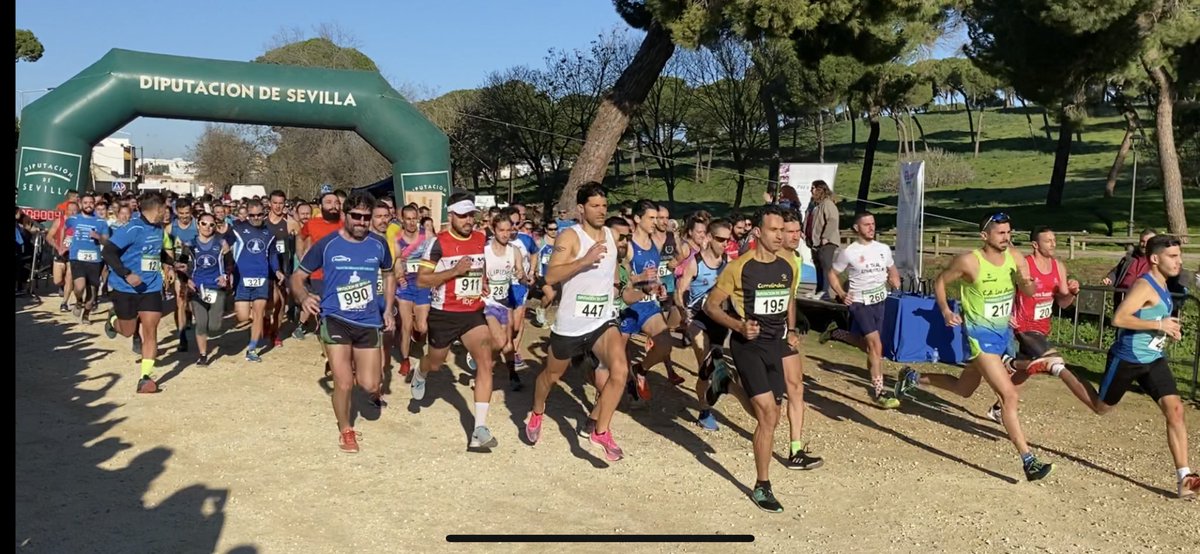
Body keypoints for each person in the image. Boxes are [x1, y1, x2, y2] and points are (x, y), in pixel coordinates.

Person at [895, 213, 1054, 482]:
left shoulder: (1015, 257)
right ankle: (1029, 460)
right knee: (1009, 396)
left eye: (1009, 232)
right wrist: (945, 311)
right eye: (1001, 233)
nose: (1007, 237)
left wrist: (1028, 284)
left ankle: (912, 377)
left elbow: (1027, 292)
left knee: (963, 389)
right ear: (984, 236)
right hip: (979, 339)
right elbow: (940, 282)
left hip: (1003, 335)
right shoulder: (969, 262)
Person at [703, 204, 817, 513]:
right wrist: (739, 325)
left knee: (769, 415)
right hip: (747, 346)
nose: (780, 235)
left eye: (783, 230)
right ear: (758, 232)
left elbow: (789, 298)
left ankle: (725, 382)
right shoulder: (740, 267)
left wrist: (791, 329)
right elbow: (711, 306)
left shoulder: (788, 264)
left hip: (775, 346)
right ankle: (762, 485)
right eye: (773, 230)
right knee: (767, 415)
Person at [525, 183, 630, 461]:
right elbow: (550, 277)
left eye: (604, 206)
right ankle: (536, 412)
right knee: (551, 376)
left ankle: (601, 431)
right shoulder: (570, 237)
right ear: (581, 208)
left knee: (620, 370)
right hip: (571, 323)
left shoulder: (611, 235)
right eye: (595, 206)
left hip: (602, 321)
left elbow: (612, 277)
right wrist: (584, 261)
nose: (601, 211)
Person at [293, 192, 395, 453]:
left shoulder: (378, 244)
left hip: (368, 320)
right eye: (356, 216)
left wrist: (388, 309)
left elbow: (389, 274)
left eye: (366, 217)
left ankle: (346, 367)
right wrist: (304, 296)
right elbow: (297, 277)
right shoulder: (327, 245)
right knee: (345, 383)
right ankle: (346, 429)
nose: (362, 221)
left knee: (371, 384)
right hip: (335, 318)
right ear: (345, 216)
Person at [411, 192, 501, 452]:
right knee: (437, 362)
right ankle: (422, 370)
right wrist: (454, 272)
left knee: (486, 359)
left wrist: (480, 281)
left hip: (472, 311)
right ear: (450, 216)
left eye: (471, 214)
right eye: (462, 215)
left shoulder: (480, 238)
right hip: (444, 313)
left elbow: (478, 267)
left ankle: (479, 429)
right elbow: (422, 280)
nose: (468, 220)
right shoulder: (437, 243)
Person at [983, 226, 1079, 422]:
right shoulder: (1025, 264)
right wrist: (1005, 311)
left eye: (1054, 240)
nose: (1053, 244)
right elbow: (1002, 286)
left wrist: (1072, 292)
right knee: (1051, 361)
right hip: (1023, 324)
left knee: (1027, 370)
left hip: (1042, 325)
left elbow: (1063, 302)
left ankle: (997, 408)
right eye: (1048, 240)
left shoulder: (1058, 266)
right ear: (1035, 244)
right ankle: (1008, 362)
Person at [823, 212, 904, 409]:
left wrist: (895, 280)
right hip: (859, 303)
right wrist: (842, 293)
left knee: (867, 346)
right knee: (876, 347)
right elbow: (832, 274)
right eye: (866, 224)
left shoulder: (883, 248)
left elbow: (891, 269)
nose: (871, 227)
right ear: (856, 228)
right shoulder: (849, 252)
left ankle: (836, 333)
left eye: (873, 224)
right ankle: (880, 393)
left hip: (880, 301)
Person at [102, 191, 171, 394]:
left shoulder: (158, 228)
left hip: (151, 287)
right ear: (157, 209)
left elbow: (155, 253)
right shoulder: (132, 228)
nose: (167, 212)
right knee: (128, 331)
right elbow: (108, 251)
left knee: (151, 330)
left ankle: (145, 378)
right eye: (165, 208)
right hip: (126, 288)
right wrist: (126, 273)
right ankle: (113, 320)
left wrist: (174, 263)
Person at [622, 199, 684, 400]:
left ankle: (640, 368)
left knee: (665, 343)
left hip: (648, 304)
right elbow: (623, 278)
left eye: (657, 217)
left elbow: (655, 274)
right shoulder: (628, 245)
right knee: (617, 358)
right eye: (651, 218)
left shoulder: (654, 245)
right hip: (628, 305)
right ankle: (622, 383)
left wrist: (659, 288)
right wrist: (640, 279)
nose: (655, 221)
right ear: (638, 219)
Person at [676, 218, 734, 431]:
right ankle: (705, 411)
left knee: (711, 364)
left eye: (728, 240)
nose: (724, 244)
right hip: (697, 317)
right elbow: (680, 290)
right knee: (705, 361)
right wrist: (684, 313)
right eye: (720, 239)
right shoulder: (695, 262)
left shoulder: (727, 262)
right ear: (709, 238)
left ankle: (709, 394)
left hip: (718, 317)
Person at [226, 201, 284, 362]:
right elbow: (224, 246)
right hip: (242, 278)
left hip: (262, 277)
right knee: (243, 316)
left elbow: (272, 255)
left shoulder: (270, 233)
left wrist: (277, 270)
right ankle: (258, 321)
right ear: (247, 215)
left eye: (259, 214)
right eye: (252, 215)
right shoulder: (237, 230)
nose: (256, 218)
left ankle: (252, 349)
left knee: (258, 313)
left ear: (264, 213)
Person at [478, 213, 526, 392]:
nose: (506, 234)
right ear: (493, 229)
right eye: (502, 230)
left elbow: (520, 273)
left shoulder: (514, 251)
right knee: (500, 341)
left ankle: (512, 374)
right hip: (488, 302)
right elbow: (479, 276)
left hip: (505, 301)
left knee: (508, 340)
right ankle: (483, 370)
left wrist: (523, 277)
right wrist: (483, 284)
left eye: (509, 230)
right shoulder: (485, 250)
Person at [182, 213, 230, 365]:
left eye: (211, 225)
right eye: (204, 223)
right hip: (198, 287)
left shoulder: (222, 243)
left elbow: (230, 264)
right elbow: (180, 266)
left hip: (216, 287)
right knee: (201, 323)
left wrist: (226, 276)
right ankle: (203, 355)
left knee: (214, 326)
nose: (207, 227)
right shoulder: (189, 244)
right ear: (198, 224)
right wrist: (187, 280)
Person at [394, 204, 431, 378]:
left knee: (422, 328)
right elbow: (395, 261)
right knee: (406, 326)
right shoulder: (397, 239)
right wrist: (398, 273)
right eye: (407, 219)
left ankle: (417, 332)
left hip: (423, 285)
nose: (411, 222)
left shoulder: (426, 236)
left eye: (414, 219)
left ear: (418, 219)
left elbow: (436, 257)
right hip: (405, 287)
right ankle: (405, 360)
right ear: (402, 219)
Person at [65, 193, 110, 323]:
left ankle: (86, 314)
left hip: (95, 260)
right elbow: (64, 231)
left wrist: (98, 237)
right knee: (79, 286)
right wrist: (63, 245)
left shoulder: (101, 222)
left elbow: (106, 242)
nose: (88, 205)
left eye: (91, 203)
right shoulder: (73, 219)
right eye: (85, 203)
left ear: (94, 204)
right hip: (77, 258)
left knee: (92, 292)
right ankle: (79, 301)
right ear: (81, 204)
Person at [265, 190, 299, 348]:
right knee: (270, 300)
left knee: (281, 302)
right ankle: (265, 319)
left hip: (284, 266)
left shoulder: (290, 223)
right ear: (270, 203)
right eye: (275, 203)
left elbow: (300, 247)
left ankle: (275, 332)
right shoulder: (263, 222)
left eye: (281, 203)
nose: (278, 206)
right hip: (265, 267)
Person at [804, 180, 839, 299]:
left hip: (826, 242)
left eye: (813, 188)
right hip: (814, 242)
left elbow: (833, 220)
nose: (811, 190)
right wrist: (804, 233)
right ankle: (819, 289)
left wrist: (825, 236)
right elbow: (808, 220)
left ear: (820, 189)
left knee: (825, 266)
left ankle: (825, 291)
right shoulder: (813, 204)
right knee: (818, 265)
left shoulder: (827, 203)